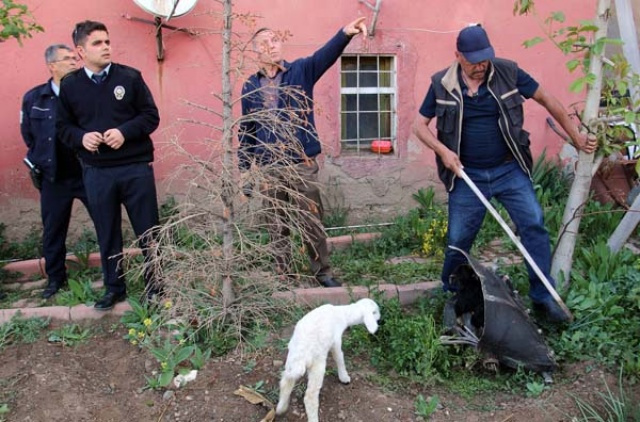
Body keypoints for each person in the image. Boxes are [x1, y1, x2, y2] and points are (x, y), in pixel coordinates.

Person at [412, 25, 597, 322]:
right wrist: (444, 152)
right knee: (459, 238)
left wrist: (575, 137)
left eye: (485, 58)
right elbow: (418, 126)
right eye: (473, 60)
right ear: (458, 55)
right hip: (466, 175)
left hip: (508, 170)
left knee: (534, 223)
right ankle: (451, 294)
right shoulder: (441, 84)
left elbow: (547, 98)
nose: (481, 66)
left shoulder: (508, 73)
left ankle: (542, 298)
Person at [238, 18, 368, 288]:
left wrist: (345, 34)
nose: (271, 46)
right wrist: (244, 171)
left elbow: (326, 55)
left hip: (301, 164)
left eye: (275, 40)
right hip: (269, 168)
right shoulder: (250, 87)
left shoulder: (301, 71)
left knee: (311, 220)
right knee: (276, 225)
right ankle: (283, 275)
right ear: (256, 52)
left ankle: (322, 272)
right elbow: (247, 132)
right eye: (264, 43)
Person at [57, 20, 161, 310]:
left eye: (107, 41)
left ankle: (157, 286)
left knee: (149, 230)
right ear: (81, 51)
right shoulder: (70, 85)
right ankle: (114, 288)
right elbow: (63, 127)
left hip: (135, 168)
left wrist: (124, 132)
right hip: (97, 171)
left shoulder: (130, 78)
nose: (106, 47)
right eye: (97, 43)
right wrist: (81, 137)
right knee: (107, 232)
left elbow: (151, 116)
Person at [20, 44, 93, 299]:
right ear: (52, 66)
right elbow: (29, 135)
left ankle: (114, 274)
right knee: (53, 230)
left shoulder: (87, 93)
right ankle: (55, 279)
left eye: (76, 58)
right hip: (54, 177)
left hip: (88, 173)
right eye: (68, 59)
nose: (75, 62)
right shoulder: (34, 98)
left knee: (106, 223)